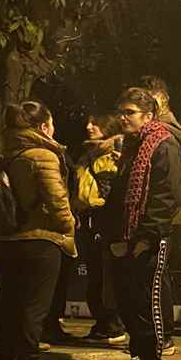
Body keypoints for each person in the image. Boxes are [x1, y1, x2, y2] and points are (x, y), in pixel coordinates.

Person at [104, 87, 181, 360]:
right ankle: (138, 359)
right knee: (128, 301)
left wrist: (146, 236)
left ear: (148, 115)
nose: (122, 118)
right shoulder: (133, 145)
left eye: (130, 112)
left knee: (147, 301)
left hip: (149, 238)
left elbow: (166, 195)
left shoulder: (163, 145)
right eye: (121, 112)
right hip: (125, 237)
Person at [0, 101, 76, 360]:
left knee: (9, 306)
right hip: (40, 239)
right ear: (43, 127)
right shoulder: (43, 155)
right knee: (34, 308)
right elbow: (57, 200)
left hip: (6, 240)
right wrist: (68, 226)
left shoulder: (3, 154)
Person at [73, 113, 127, 344]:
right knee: (95, 274)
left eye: (96, 123)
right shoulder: (88, 154)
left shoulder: (115, 155)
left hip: (106, 220)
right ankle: (104, 323)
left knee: (107, 275)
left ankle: (113, 325)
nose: (89, 126)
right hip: (89, 219)